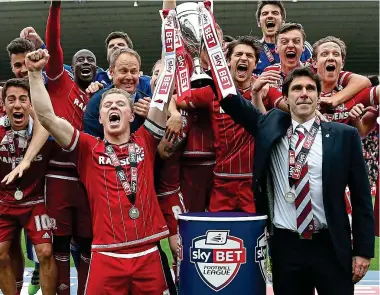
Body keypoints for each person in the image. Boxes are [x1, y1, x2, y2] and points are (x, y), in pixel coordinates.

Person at [27, 47, 176, 294]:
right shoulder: (87, 147)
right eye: (107, 105)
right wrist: (34, 74)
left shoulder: (146, 140)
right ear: (100, 116)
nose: (113, 107)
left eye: (120, 104)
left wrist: (171, 41)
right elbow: (47, 117)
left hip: (147, 253)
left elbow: (165, 92)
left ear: (131, 115)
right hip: (106, 254)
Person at [215, 66, 375, 295]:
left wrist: (362, 250)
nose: (304, 93)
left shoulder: (343, 135)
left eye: (310, 88)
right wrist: (212, 62)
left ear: (319, 97)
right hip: (287, 246)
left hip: (330, 243)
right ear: (286, 98)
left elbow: (361, 198)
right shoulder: (270, 128)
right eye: (296, 88)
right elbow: (232, 103)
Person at [44, 1, 96, 293]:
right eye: (80, 59)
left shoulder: (98, 100)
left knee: (88, 241)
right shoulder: (59, 82)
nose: (86, 63)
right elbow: (53, 43)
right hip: (59, 177)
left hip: (88, 178)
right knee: (60, 243)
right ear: (70, 66)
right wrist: (56, 6)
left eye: (91, 59)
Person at [175, 36, 260, 213]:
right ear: (228, 61)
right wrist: (174, 114)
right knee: (218, 234)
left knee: (252, 238)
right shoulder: (212, 92)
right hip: (222, 181)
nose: (244, 58)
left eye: (249, 56)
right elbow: (176, 99)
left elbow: (291, 105)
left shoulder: (263, 91)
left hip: (252, 182)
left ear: (256, 63)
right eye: (238, 54)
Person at [0, 78, 57, 295]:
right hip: (4, 201)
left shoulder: (43, 131)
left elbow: (47, 120)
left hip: (35, 201)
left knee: (44, 252)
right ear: (4, 105)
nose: (17, 105)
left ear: (31, 105)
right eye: (11, 99)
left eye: (23, 99)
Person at [84, 48, 151, 139]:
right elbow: (90, 142)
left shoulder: (149, 106)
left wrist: (152, 118)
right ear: (112, 72)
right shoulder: (96, 101)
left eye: (133, 71)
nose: (129, 76)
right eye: (123, 71)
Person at [253, 0, 312, 75]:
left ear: (283, 21)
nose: (270, 16)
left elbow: (314, 71)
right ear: (259, 23)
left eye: (275, 13)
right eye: (265, 13)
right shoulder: (254, 49)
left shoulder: (302, 45)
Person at [95, 31, 152, 96]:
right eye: (111, 46)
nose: (115, 47)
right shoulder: (97, 78)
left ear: (130, 51)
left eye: (120, 44)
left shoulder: (146, 82)